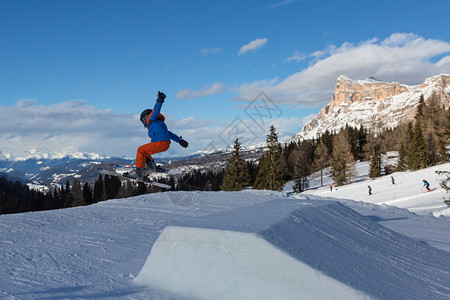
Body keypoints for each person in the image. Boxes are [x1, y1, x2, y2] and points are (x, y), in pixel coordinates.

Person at [132, 91, 188, 180]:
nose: (144, 125)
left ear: (145, 118)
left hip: (160, 143)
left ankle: (139, 173)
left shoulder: (152, 118)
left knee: (140, 150)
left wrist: (160, 100)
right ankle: (151, 166)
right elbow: (169, 134)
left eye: (143, 122)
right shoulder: (159, 124)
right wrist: (180, 141)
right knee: (145, 151)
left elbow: (156, 110)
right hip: (165, 144)